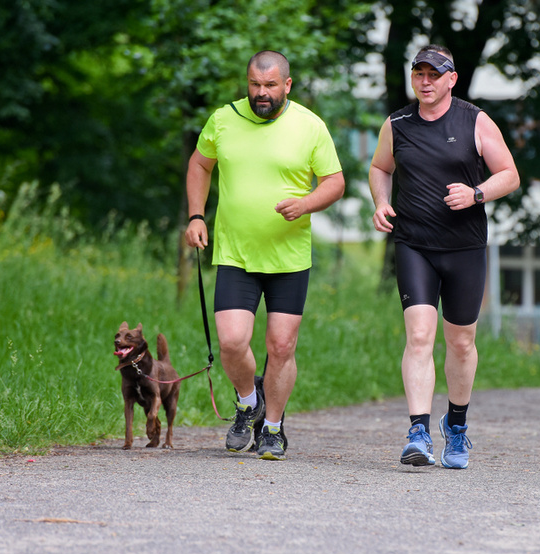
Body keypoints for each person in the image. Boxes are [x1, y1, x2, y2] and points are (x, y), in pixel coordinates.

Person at [184, 50, 345, 460]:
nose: (261, 93)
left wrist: (306, 204)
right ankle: (246, 402)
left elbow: (335, 182)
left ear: (286, 85)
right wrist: (197, 215)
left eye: (270, 86)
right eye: (254, 85)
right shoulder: (224, 119)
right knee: (233, 342)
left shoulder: (310, 125)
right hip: (236, 253)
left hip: (289, 258)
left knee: (281, 346)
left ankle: (272, 429)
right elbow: (200, 165)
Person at [368, 45, 520, 469]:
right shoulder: (397, 123)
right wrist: (380, 202)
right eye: (418, 73)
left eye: (434, 74)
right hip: (414, 243)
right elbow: (381, 168)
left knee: (461, 341)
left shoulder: (474, 120)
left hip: (464, 248)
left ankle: (456, 426)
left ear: (452, 79)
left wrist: (476, 194)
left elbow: (509, 174)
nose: (425, 81)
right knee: (418, 336)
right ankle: (417, 431)